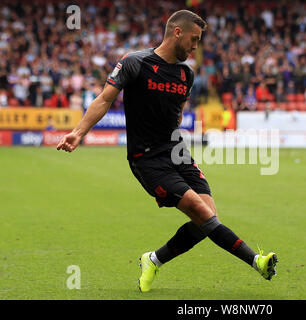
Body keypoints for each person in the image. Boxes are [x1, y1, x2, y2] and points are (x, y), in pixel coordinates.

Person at [56, 10, 277, 292]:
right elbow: (104, 99)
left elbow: (178, 114)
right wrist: (79, 132)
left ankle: (154, 259)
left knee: (207, 218)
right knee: (202, 212)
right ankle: (256, 261)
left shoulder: (187, 73)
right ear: (177, 32)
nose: (196, 46)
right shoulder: (135, 63)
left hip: (177, 152)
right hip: (146, 158)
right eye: (194, 40)